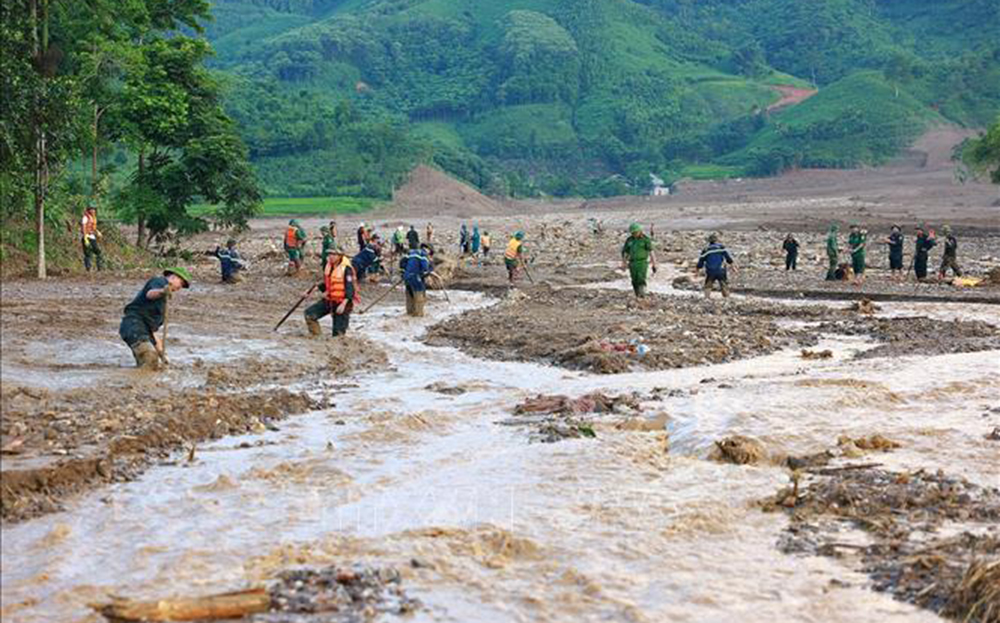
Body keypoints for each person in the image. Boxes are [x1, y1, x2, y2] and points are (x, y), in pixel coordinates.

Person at [118, 268, 191, 369]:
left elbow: (152, 332)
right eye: (181, 283)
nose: (180, 287)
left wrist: (162, 355)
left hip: (141, 328)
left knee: (150, 363)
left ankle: (138, 382)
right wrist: (162, 291)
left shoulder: (162, 301)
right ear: (173, 277)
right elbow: (150, 294)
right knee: (149, 356)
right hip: (133, 324)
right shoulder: (159, 281)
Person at [304, 248, 358, 337]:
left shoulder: (346, 269)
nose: (331, 257)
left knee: (338, 334)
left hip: (342, 303)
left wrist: (343, 304)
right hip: (330, 300)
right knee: (309, 314)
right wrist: (311, 291)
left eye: (334, 254)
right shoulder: (330, 267)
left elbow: (350, 288)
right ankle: (317, 337)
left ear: (340, 256)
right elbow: (327, 283)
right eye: (330, 254)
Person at [621, 223, 657, 298]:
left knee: (641, 278)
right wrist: (624, 263)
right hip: (632, 263)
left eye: (636, 232)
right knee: (634, 279)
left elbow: (651, 252)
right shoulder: (629, 240)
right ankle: (637, 294)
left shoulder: (645, 240)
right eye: (633, 233)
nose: (634, 234)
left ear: (640, 231)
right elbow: (626, 252)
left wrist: (654, 264)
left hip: (642, 263)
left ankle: (642, 294)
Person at [697, 233, 735, 298]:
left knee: (708, 284)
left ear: (709, 241)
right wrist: (733, 267)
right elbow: (728, 258)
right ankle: (726, 297)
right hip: (721, 269)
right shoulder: (721, 247)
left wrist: (697, 270)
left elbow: (701, 261)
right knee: (723, 283)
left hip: (710, 270)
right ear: (716, 240)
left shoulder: (706, 250)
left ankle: (707, 297)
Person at [400, 243, 433, 317]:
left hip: (407, 277)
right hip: (416, 277)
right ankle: (419, 314)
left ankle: (409, 312)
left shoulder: (410, 253)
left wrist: (403, 274)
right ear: (426, 249)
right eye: (430, 252)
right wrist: (427, 273)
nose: (429, 254)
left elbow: (402, 263)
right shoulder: (423, 254)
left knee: (409, 295)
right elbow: (425, 267)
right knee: (419, 295)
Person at [80, 202, 104, 272]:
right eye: (91, 209)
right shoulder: (85, 217)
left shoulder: (93, 218)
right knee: (87, 253)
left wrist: (97, 232)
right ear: (88, 210)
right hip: (86, 236)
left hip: (92, 236)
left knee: (98, 252)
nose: (93, 211)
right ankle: (88, 269)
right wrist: (85, 238)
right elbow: (84, 227)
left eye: (94, 209)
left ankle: (99, 268)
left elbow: (93, 227)